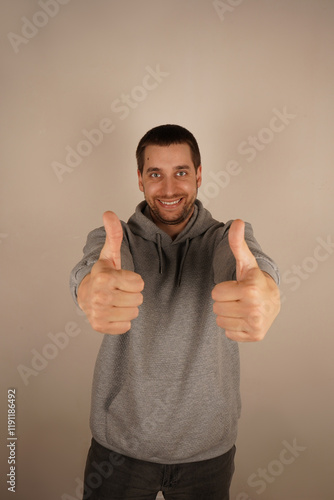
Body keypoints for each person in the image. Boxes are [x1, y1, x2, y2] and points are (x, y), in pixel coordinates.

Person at [70, 124, 280, 500]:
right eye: (155, 174)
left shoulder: (225, 237)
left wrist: (264, 288)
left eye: (180, 172)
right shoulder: (114, 239)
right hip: (120, 450)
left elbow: (249, 266)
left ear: (198, 175)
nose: (168, 189)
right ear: (140, 180)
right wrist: (89, 288)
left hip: (208, 454)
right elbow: (92, 270)